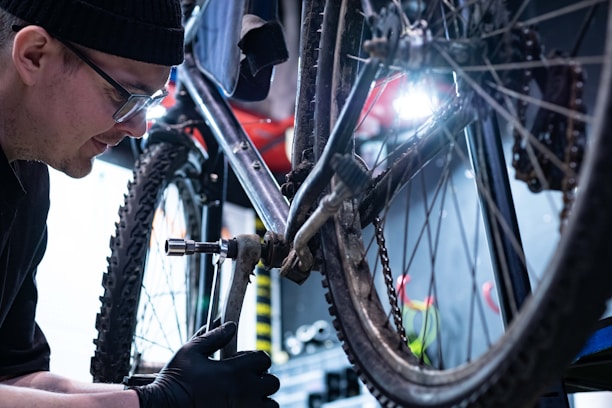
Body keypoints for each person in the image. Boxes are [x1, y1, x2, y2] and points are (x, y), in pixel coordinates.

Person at [0, 0, 280, 407]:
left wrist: (169, 395)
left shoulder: (27, 180)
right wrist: (152, 404)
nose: (138, 127)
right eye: (123, 94)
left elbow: (16, 374)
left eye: (149, 103)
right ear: (34, 55)